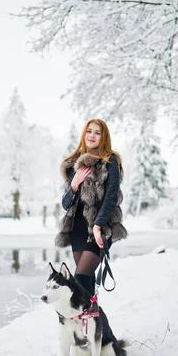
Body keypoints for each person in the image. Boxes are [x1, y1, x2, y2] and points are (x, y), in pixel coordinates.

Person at [55, 119, 127, 295]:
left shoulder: (109, 160)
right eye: (89, 131)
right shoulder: (73, 164)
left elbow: (111, 197)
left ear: (104, 137)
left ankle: (90, 319)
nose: (92, 135)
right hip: (77, 229)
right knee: (86, 284)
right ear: (83, 134)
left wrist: (97, 226)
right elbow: (66, 204)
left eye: (97, 132)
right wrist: (75, 183)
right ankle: (91, 321)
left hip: (100, 228)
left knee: (79, 279)